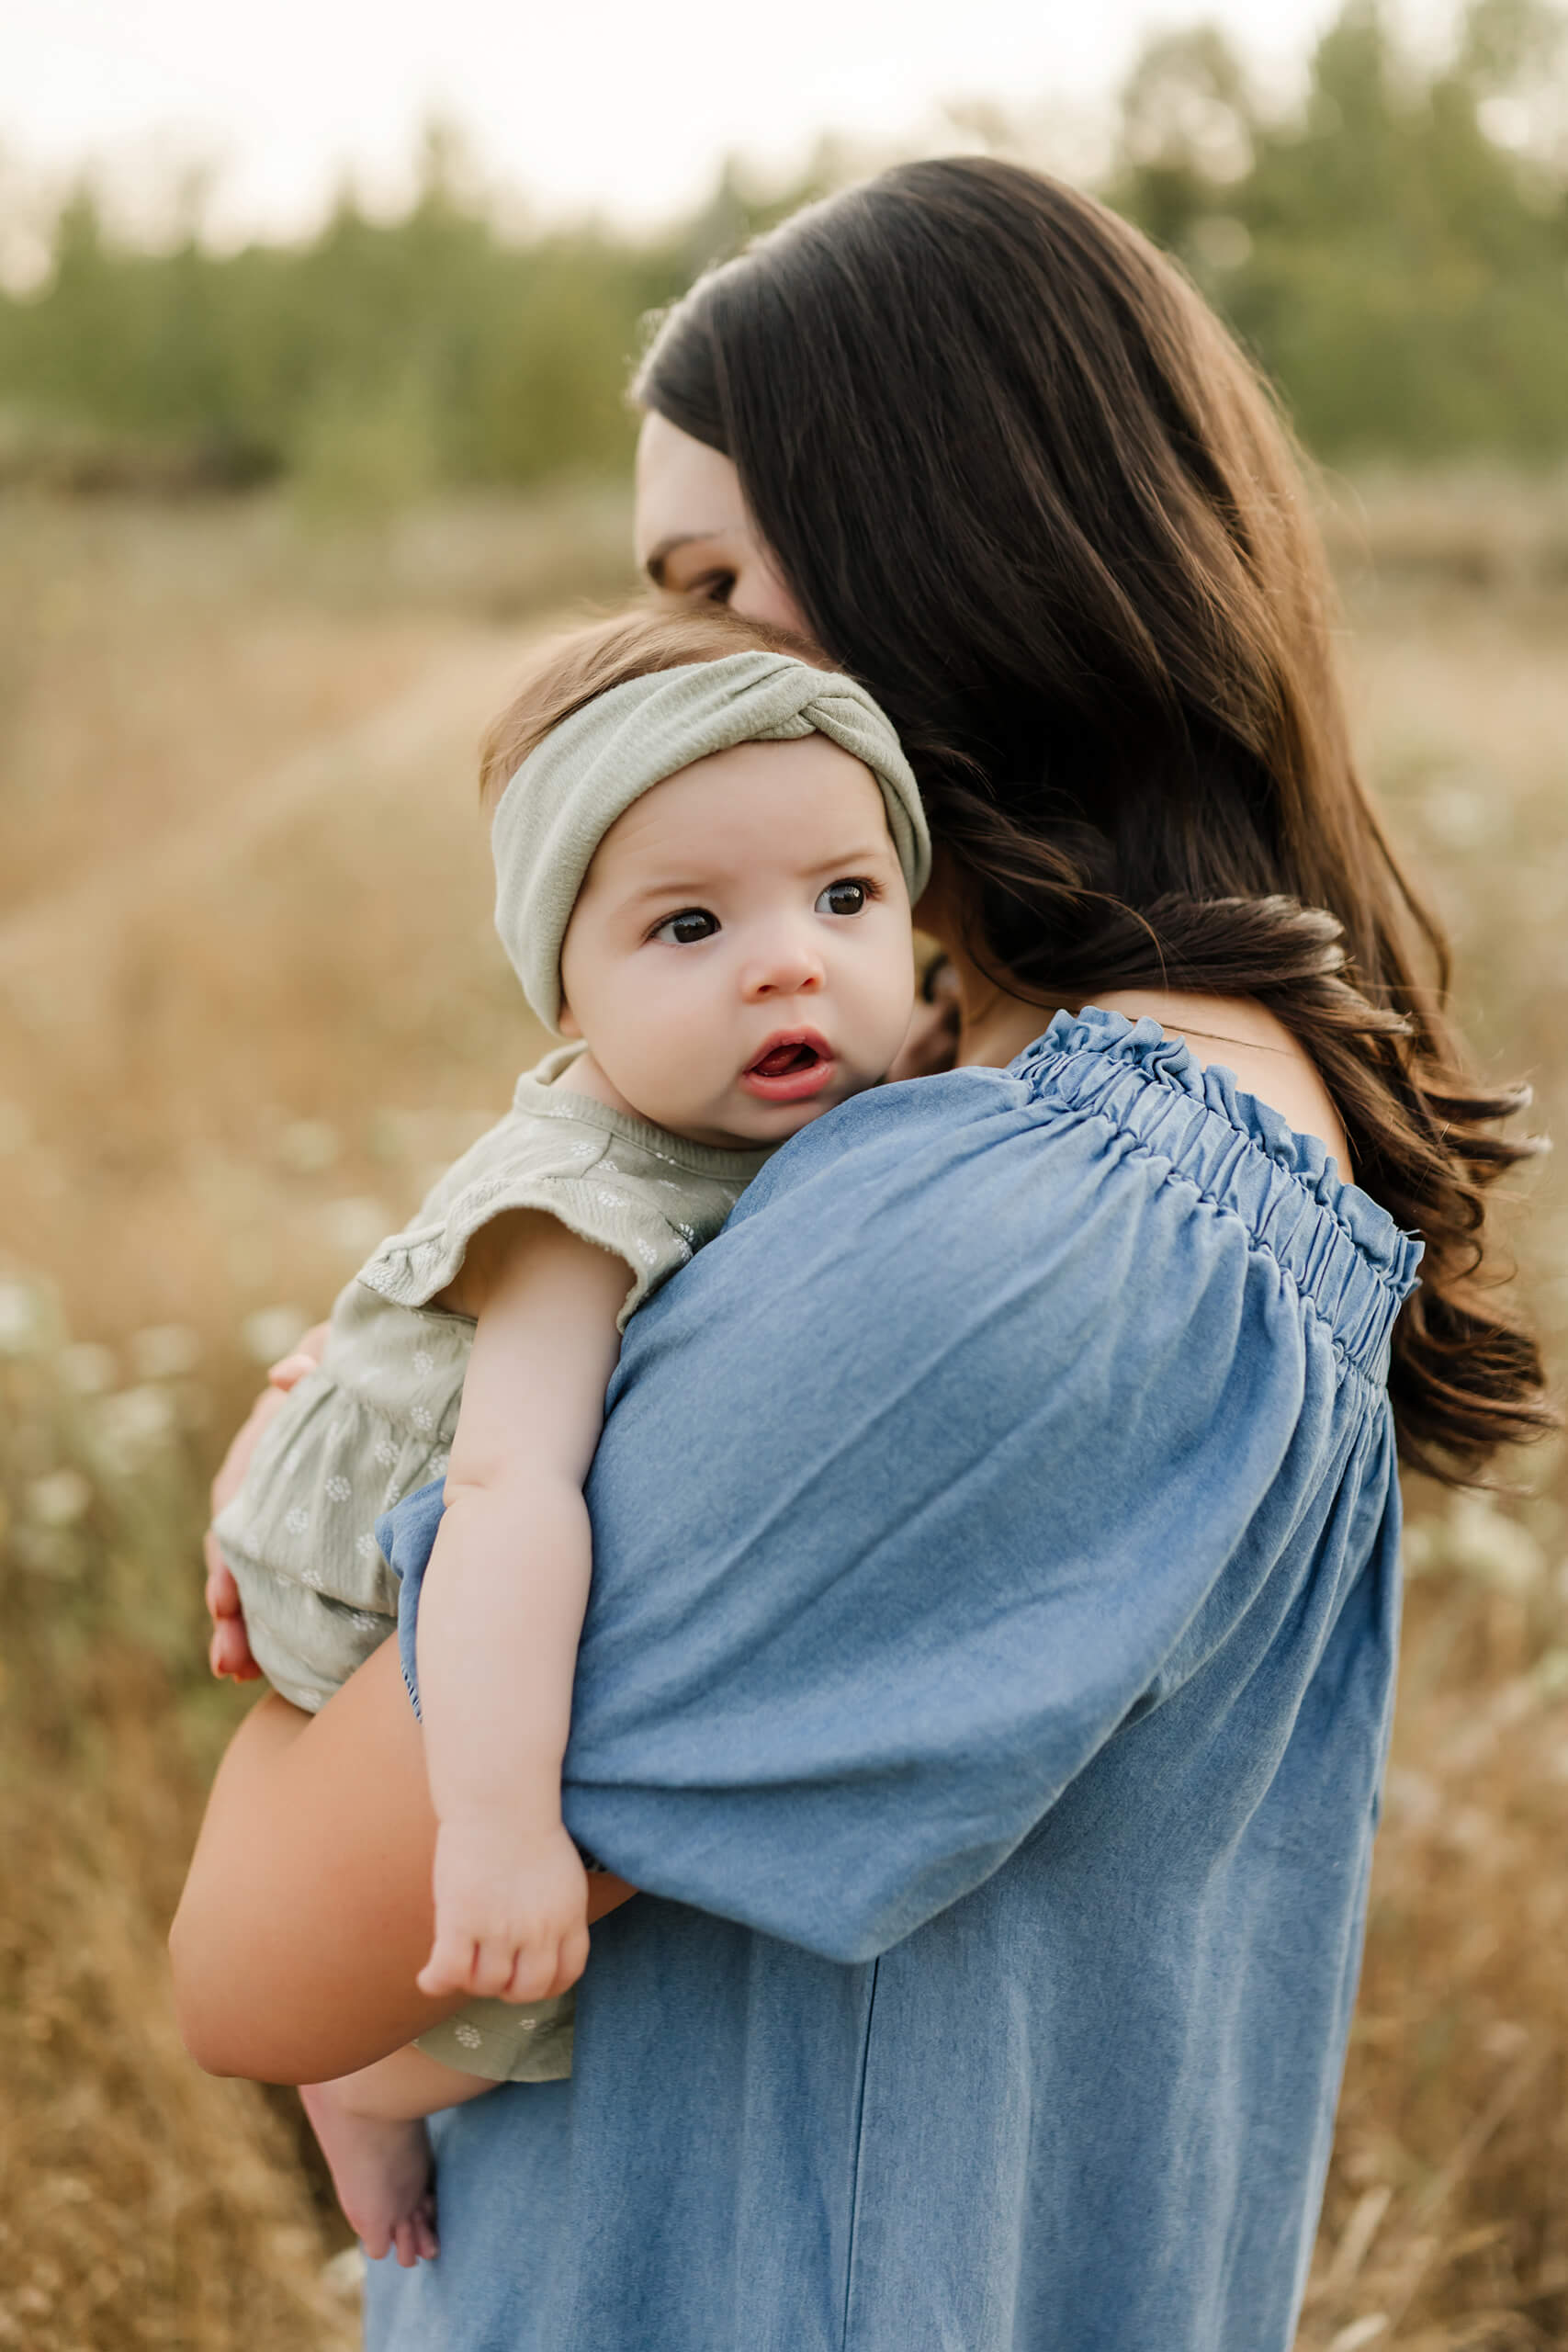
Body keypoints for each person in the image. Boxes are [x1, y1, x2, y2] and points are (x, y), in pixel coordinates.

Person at [174, 159, 1550, 2352]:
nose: (685, 672)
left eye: (721, 581)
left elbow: (254, 1958)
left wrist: (385, 1505)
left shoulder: (1022, 1228)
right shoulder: (1103, 1140)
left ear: (965, 544)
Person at [206, 603, 927, 2265]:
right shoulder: (576, 1207)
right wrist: (499, 1825)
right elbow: (507, 1494)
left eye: (844, 899)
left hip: (457, 1510)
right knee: (501, 1961)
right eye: (688, 925)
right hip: (393, 1562)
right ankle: (365, 2091)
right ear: (569, 993)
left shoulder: (820, 1063)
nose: (787, 961)